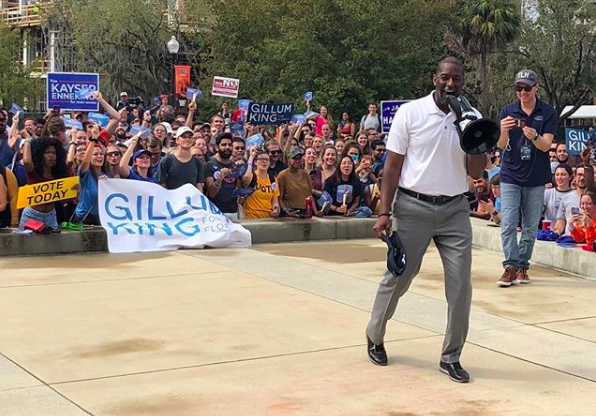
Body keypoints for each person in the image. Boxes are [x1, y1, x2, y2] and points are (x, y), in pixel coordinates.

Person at [366, 57, 486, 383]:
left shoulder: (470, 116)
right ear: (435, 78)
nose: (450, 84)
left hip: (455, 210)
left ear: (463, 81)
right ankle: (375, 335)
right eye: (445, 78)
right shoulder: (411, 112)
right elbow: (392, 167)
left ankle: (451, 357)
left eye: (456, 79)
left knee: (461, 287)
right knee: (399, 276)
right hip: (412, 208)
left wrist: (471, 131)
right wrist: (383, 211)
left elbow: (476, 172)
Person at [496, 69, 557, 286]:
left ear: (536, 87)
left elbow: (546, 145)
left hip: (536, 176)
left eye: (527, 88)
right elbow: (501, 145)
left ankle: (523, 265)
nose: (522, 92)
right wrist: (503, 130)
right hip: (511, 174)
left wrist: (534, 136)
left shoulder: (547, 111)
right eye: (519, 88)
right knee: (509, 223)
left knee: (531, 226)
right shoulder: (507, 111)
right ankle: (510, 266)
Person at [20, 137, 70, 230]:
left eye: (54, 153)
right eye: (47, 153)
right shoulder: (33, 171)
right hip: (32, 215)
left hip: (51, 216)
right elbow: (26, 161)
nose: (51, 155)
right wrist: (27, 141)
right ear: (40, 154)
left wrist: (76, 188)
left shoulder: (58, 173)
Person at [204, 133, 240, 220]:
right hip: (216, 212)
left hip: (233, 211)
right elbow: (211, 193)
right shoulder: (208, 165)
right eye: (224, 145)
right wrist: (220, 178)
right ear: (217, 147)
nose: (227, 147)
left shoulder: (235, 166)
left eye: (230, 145)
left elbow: (238, 189)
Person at [157, 126, 205, 191]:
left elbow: (199, 185)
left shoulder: (197, 162)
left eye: (190, 137)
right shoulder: (167, 160)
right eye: (184, 137)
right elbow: (160, 184)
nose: (187, 139)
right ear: (177, 140)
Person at [277, 147, 320, 217]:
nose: (297, 161)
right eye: (294, 158)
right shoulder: (282, 175)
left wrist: (315, 211)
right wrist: (287, 212)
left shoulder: (305, 174)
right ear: (288, 160)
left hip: (305, 212)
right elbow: (280, 198)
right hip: (290, 212)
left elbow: (309, 195)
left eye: (299, 158)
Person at [241, 148, 281, 219]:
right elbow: (246, 178)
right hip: (250, 218)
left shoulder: (273, 180)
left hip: (267, 219)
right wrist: (251, 157)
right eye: (261, 159)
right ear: (255, 162)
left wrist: (276, 209)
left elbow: (275, 201)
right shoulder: (252, 176)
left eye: (267, 160)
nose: (264, 161)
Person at [543, 164, 573, 230]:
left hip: (569, 233)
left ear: (570, 177)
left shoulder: (574, 194)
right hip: (549, 232)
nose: (559, 177)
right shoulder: (548, 193)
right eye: (557, 174)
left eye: (563, 174)